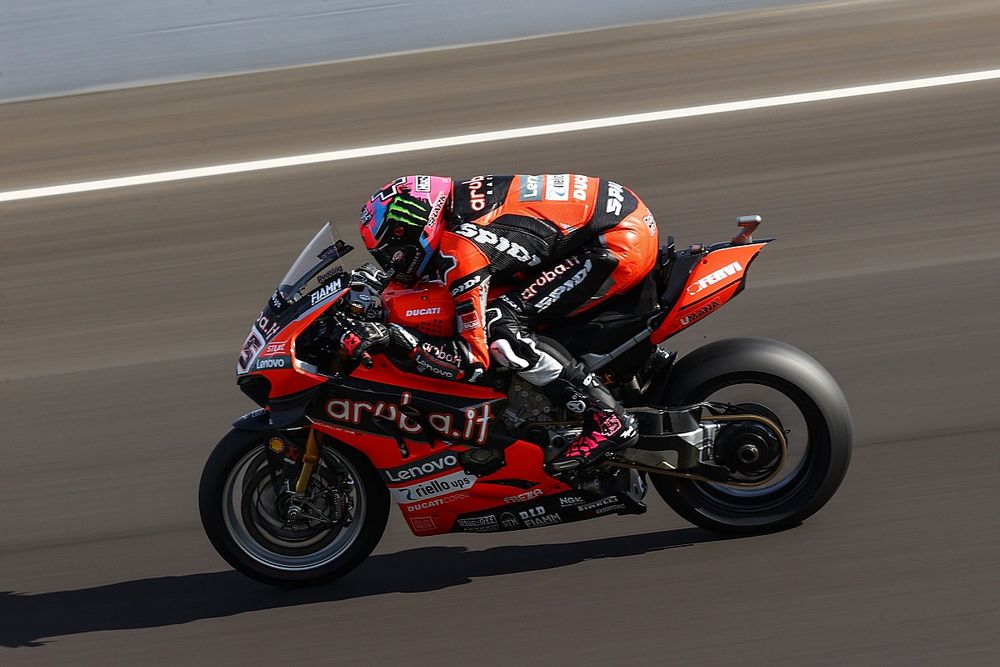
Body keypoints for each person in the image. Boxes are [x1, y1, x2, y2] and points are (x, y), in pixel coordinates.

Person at [346, 174, 659, 470]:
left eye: (394, 254)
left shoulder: (463, 250)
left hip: (615, 242)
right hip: (611, 215)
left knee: (500, 328)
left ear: (417, 229)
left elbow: (473, 359)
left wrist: (401, 339)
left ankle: (607, 418)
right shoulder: (453, 202)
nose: (393, 263)